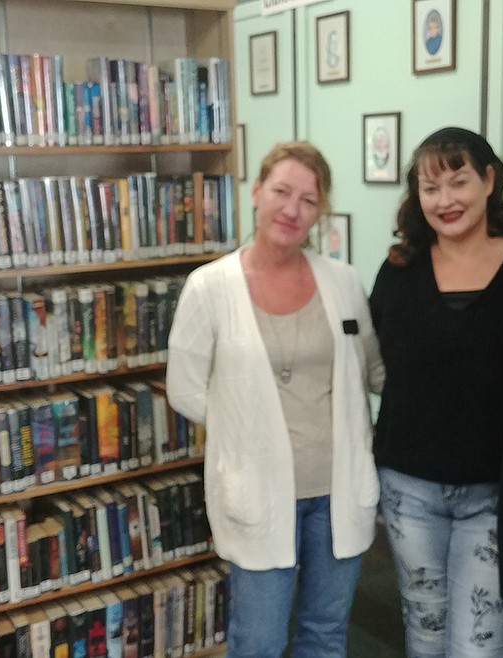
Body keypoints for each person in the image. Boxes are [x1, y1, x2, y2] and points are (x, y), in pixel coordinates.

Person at [166, 141, 384, 658]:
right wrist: (247, 430)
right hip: (259, 493)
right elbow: (185, 389)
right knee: (258, 642)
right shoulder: (210, 287)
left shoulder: (343, 282)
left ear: (320, 211)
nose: (292, 210)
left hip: (336, 492)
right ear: (257, 191)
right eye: (282, 192)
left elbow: (371, 370)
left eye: (308, 200)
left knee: (325, 635)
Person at [370, 126, 503, 657]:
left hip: (494, 492)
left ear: (489, 179)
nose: (445, 200)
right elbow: (376, 365)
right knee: (424, 633)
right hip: (408, 484)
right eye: (430, 187)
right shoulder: (399, 270)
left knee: (479, 644)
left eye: (458, 180)